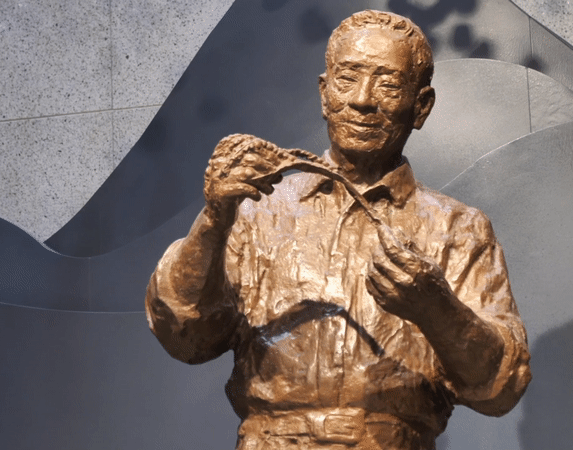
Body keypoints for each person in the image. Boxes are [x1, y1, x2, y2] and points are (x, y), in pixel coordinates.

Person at [145, 10, 530, 449]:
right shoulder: (256, 211)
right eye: (347, 79)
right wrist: (214, 222)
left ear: (421, 106)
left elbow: (501, 386)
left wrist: (437, 307)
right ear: (325, 93)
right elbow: (185, 337)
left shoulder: (458, 229)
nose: (363, 100)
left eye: (388, 85)